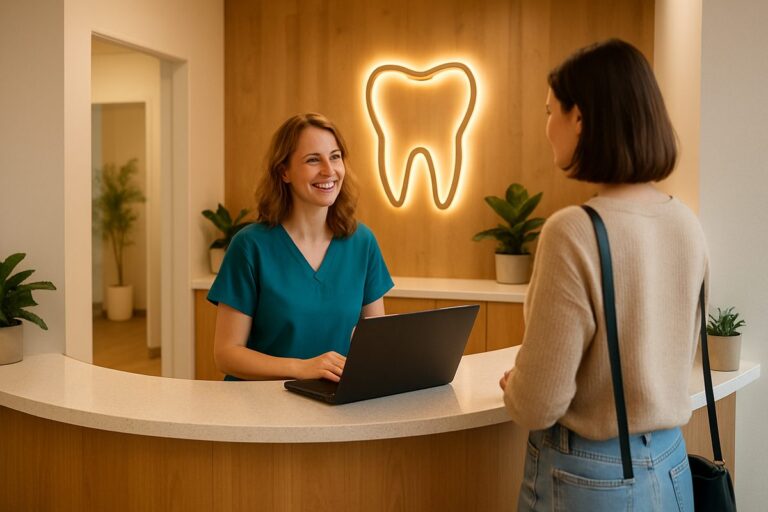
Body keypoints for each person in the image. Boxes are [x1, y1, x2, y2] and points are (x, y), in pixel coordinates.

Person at [498, 39, 707, 511]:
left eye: (551, 110)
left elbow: (538, 404)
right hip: (673, 463)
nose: (547, 126)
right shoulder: (686, 223)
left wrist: (518, 386)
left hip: (591, 478)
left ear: (580, 117)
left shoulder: (574, 231)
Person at [208, 113, 394, 381]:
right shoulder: (249, 246)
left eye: (335, 156)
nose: (329, 171)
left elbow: (376, 338)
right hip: (260, 409)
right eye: (312, 160)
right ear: (284, 171)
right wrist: (301, 368)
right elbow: (226, 354)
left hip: (335, 407)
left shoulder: (362, 242)